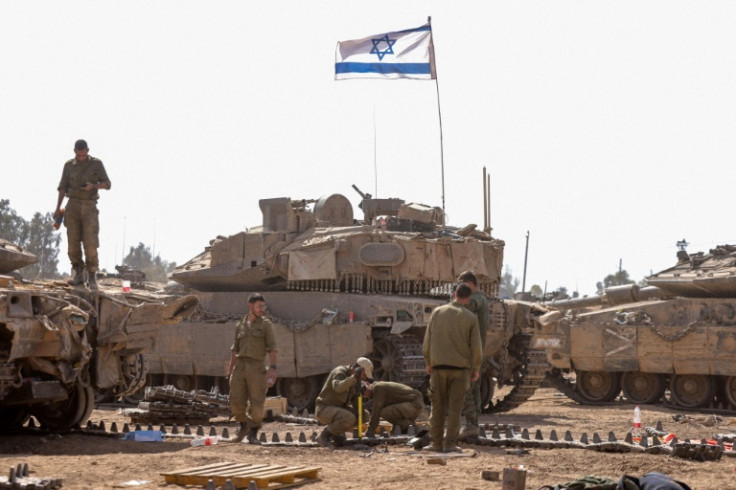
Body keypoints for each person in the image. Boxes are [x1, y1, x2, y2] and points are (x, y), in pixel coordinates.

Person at [422, 282, 482, 453]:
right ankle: (449, 444)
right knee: (455, 409)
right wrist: (476, 367)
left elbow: (427, 341)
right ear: (468, 298)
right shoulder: (471, 317)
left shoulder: (437, 313)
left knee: (437, 407)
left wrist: (428, 362)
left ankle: (435, 443)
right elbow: (476, 347)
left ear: (454, 294)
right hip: (460, 370)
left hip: (438, 369)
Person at [54, 139, 111, 289]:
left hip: (89, 207)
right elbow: (62, 187)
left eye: (83, 155)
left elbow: (108, 184)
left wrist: (94, 186)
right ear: (75, 152)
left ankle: (92, 276)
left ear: (88, 151)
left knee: (90, 242)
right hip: (72, 205)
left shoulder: (96, 164)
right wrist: (57, 207)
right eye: (78, 155)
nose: (81, 158)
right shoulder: (68, 166)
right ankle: (78, 273)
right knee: (73, 242)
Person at [226, 293, 278, 443]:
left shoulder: (266, 325)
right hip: (240, 366)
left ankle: (253, 432)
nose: (262, 309)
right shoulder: (239, 325)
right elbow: (235, 349)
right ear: (251, 306)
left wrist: (272, 369)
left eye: (263, 306)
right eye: (259, 306)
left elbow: (272, 349)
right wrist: (230, 370)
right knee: (235, 401)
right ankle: (243, 426)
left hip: (257, 366)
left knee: (257, 403)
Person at [457, 270, 490, 440]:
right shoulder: (478, 298)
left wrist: (455, 298)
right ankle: (473, 423)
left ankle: (472, 423)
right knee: (473, 387)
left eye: (463, 286)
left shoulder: (478, 298)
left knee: (469, 387)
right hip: (472, 349)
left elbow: (466, 305)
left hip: (473, 350)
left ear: (469, 284)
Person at [315, 357, 373, 446]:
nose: (364, 378)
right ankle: (324, 435)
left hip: (338, 408)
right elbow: (338, 387)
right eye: (364, 375)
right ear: (358, 370)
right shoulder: (340, 371)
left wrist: (361, 409)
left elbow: (355, 401)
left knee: (364, 415)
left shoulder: (356, 381)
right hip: (324, 408)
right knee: (349, 418)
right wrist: (353, 378)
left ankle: (336, 433)